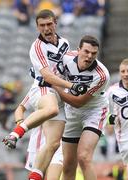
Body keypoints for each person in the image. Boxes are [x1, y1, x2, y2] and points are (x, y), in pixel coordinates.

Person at [2, 9, 88, 180]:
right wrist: (72, 85)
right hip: (44, 88)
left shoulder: (64, 42)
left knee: (54, 144)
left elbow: (66, 67)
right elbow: (48, 76)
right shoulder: (37, 47)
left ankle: (35, 176)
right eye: (42, 25)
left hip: (58, 95)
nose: (46, 28)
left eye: (49, 24)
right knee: (51, 109)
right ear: (37, 27)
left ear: (55, 23)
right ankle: (15, 133)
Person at [51, 35, 110, 180]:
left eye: (94, 53)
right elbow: (51, 75)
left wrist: (55, 87)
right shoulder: (65, 59)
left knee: (84, 157)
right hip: (71, 113)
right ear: (78, 50)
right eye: (86, 52)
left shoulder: (102, 75)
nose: (90, 56)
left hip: (93, 112)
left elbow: (78, 102)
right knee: (68, 165)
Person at [14, 100, 63, 180]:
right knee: (35, 177)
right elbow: (20, 108)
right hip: (38, 142)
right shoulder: (38, 89)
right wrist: (21, 123)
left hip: (58, 142)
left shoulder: (66, 91)